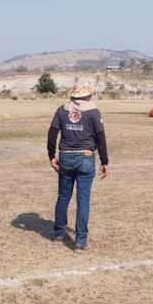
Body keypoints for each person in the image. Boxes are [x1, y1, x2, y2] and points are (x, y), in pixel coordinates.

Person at [47, 81, 109, 250]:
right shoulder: (93, 111)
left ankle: (59, 234)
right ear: (87, 95)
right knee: (83, 201)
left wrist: (52, 156)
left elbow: (52, 134)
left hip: (65, 157)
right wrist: (104, 161)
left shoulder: (62, 110)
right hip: (85, 157)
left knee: (63, 197)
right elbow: (100, 138)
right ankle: (80, 240)